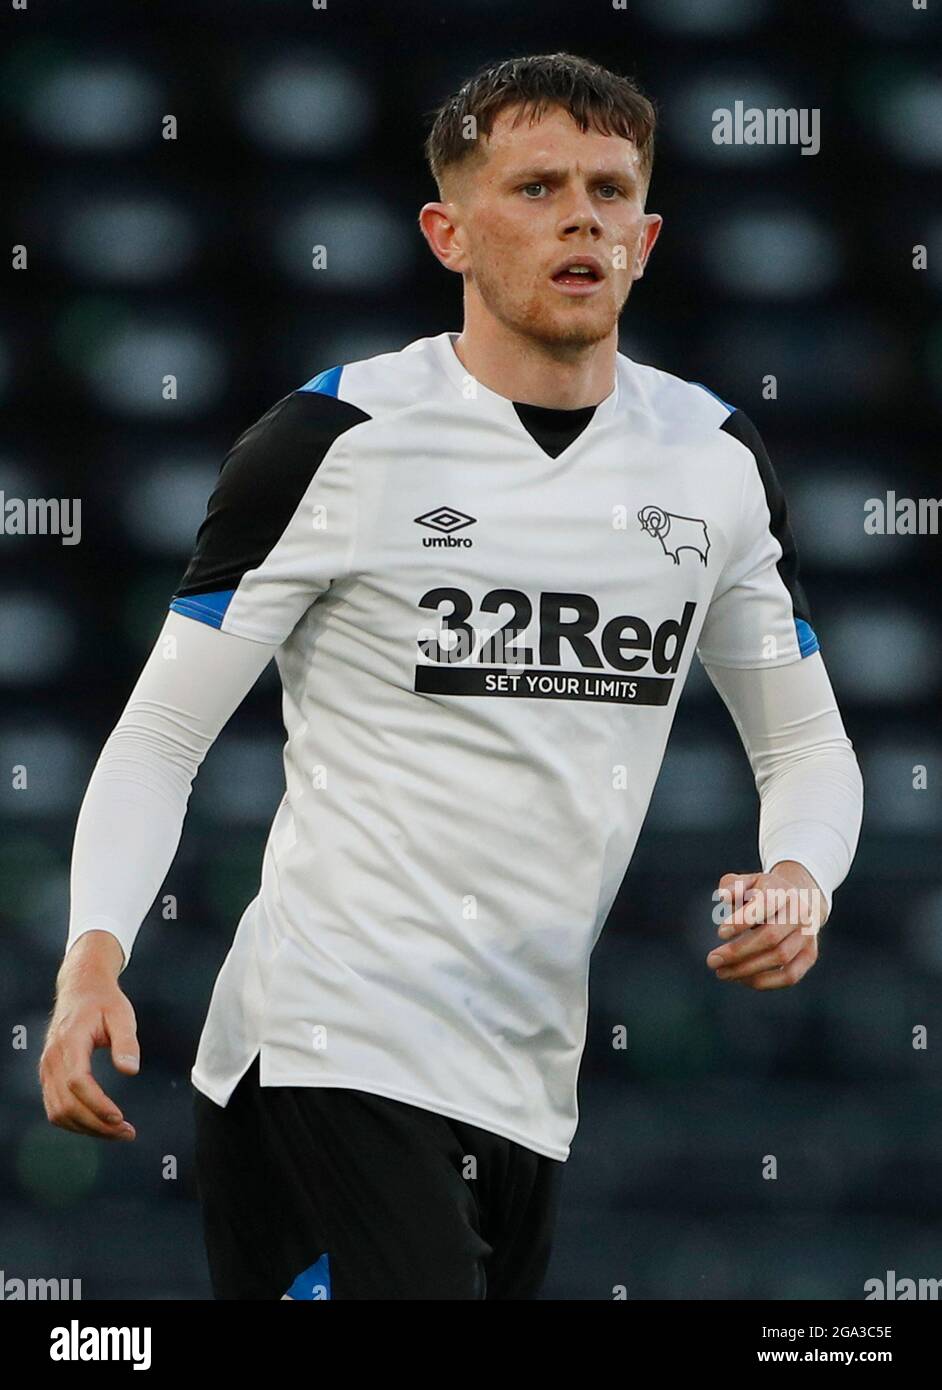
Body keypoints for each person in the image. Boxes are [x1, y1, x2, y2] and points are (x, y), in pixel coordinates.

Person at [40, 52, 863, 1300]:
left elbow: (803, 748)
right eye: (536, 187)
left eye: (609, 188)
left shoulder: (712, 461)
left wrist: (800, 877)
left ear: (648, 233)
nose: (581, 215)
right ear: (448, 232)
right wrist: (92, 953)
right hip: (324, 1045)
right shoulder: (332, 442)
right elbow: (161, 736)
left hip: (528, 1078)